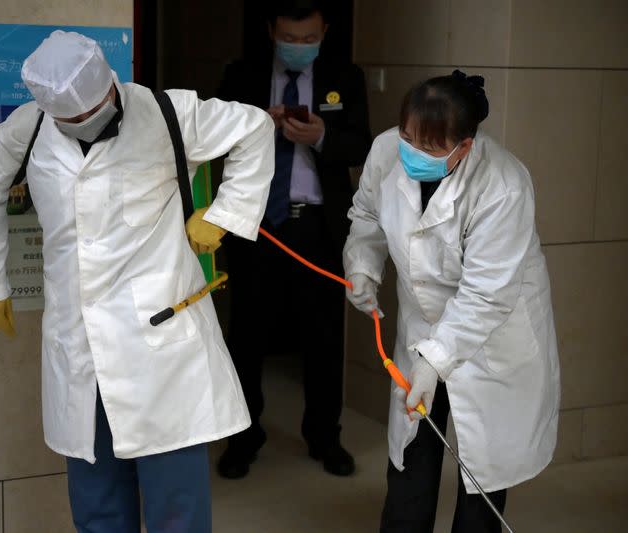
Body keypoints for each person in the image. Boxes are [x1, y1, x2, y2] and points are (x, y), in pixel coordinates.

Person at [0, 31, 274, 533]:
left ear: (110, 83)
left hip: (161, 346)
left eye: (94, 111)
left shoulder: (169, 113)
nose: (86, 125)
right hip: (79, 346)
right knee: (97, 508)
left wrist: (226, 215)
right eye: (72, 121)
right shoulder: (28, 127)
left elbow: (255, 128)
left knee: (177, 511)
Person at [344, 70, 560, 532]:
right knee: (411, 455)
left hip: (489, 336)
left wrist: (437, 360)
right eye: (408, 137)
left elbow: (485, 294)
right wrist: (362, 263)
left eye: (431, 147)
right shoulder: (386, 151)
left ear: (465, 146)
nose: (413, 153)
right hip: (421, 324)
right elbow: (366, 214)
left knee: (482, 468)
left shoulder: (503, 185)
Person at [216, 0, 371, 479]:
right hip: (256, 223)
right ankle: (243, 438)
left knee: (324, 337)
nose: (299, 47)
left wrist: (322, 135)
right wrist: (257, 126)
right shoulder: (242, 75)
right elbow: (213, 137)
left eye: (309, 38)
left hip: (316, 226)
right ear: (271, 30)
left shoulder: (345, 77)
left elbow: (362, 144)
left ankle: (325, 437)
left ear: (324, 31)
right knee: (246, 334)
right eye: (290, 38)